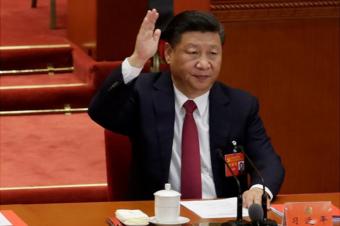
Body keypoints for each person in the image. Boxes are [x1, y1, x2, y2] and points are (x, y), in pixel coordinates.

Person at [88, 9, 285, 208]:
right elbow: (101, 112)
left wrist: (259, 189)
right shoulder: (144, 94)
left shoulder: (240, 105)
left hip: (222, 216)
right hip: (159, 216)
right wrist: (137, 59)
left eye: (213, 54)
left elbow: (268, 163)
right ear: (169, 54)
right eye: (193, 53)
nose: (204, 64)